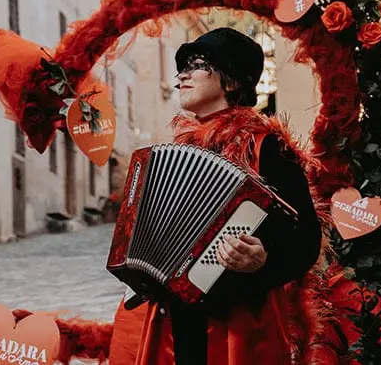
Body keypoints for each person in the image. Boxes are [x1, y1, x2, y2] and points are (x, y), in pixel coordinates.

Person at [110, 27, 324, 365]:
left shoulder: (268, 148)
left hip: (234, 327)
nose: (182, 75)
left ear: (233, 81)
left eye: (196, 64)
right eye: (182, 66)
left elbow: (306, 241)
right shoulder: (178, 151)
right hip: (173, 322)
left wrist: (264, 261)